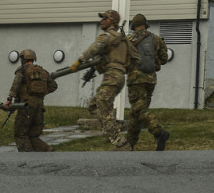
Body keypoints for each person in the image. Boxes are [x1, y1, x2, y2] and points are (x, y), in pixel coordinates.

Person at [69, 9, 134, 151]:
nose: (101, 20)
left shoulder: (106, 36)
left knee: (103, 109)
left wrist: (79, 61)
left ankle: (121, 143)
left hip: (111, 77)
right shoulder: (124, 41)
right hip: (119, 77)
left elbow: (94, 48)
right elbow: (134, 60)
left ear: (112, 21)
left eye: (105, 18)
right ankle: (111, 129)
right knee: (94, 106)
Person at [126, 13, 169, 151]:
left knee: (139, 110)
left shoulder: (129, 39)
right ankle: (129, 144)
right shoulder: (156, 39)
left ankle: (159, 132)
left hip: (135, 80)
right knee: (136, 112)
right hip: (150, 80)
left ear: (134, 26)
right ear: (145, 24)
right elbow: (164, 58)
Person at [2, 49, 57, 152]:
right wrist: (40, 93)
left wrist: (9, 99)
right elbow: (53, 86)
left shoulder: (22, 70)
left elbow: (16, 85)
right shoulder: (43, 71)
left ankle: (27, 158)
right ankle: (47, 152)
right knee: (33, 135)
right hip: (40, 105)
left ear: (23, 58)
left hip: (26, 105)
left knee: (20, 133)